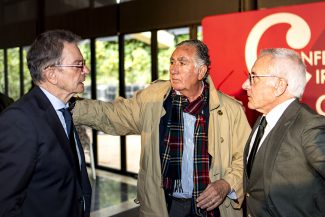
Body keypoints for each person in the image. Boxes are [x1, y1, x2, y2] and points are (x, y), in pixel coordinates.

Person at [73, 39, 251, 217]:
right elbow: (113, 114)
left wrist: (226, 184)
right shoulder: (154, 99)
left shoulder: (229, 110)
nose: (174, 69)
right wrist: (70, 107)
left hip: (213, 209)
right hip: (165, 205)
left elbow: (245, 158)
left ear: (201, 71)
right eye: (172, 62)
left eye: (182, 63)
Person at [0, 29, 92, 217]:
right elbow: (5, 202)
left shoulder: (63, 110)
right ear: (51, 74)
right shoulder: (20, 120)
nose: (86, 71)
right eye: (78, 65)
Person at [242, 48, 325, 217]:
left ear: (279, 86)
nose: (245, 85)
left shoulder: (309, 125)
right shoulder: (262, 120)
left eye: (254, 77)